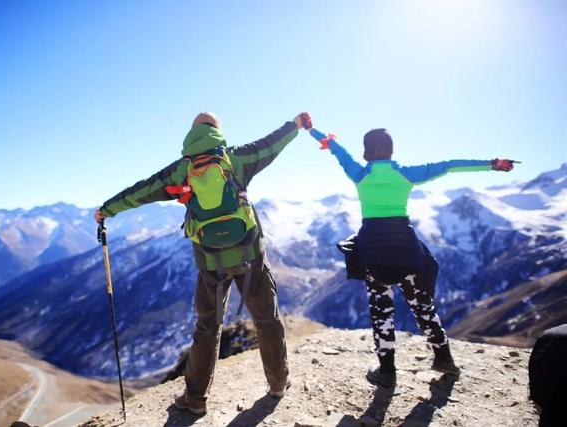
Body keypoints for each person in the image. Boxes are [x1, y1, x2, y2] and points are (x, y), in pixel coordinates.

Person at [94, 111, 312, 414]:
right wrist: (296, 126)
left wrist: (107, 209)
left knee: (208, 327)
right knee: (267, 319)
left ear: (192, 134)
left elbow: (142, 191)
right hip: (250, 256)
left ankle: (195, 399)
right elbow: (270, 145)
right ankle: (277, 383)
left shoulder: (181, 170)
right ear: (218, 131)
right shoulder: (235, 159)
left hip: (210, 261)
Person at [308, 126, 516, 388]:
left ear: (365, 153)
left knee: (381, 312)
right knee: (422, 307)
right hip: (405, 248)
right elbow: (449, 165)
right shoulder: (406, 174)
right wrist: (492, 164)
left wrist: (310, 129)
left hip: (373, 250)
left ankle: (387, 372)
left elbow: (337, 151)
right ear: (392, 151)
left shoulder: (359, 174)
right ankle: (444, 358)